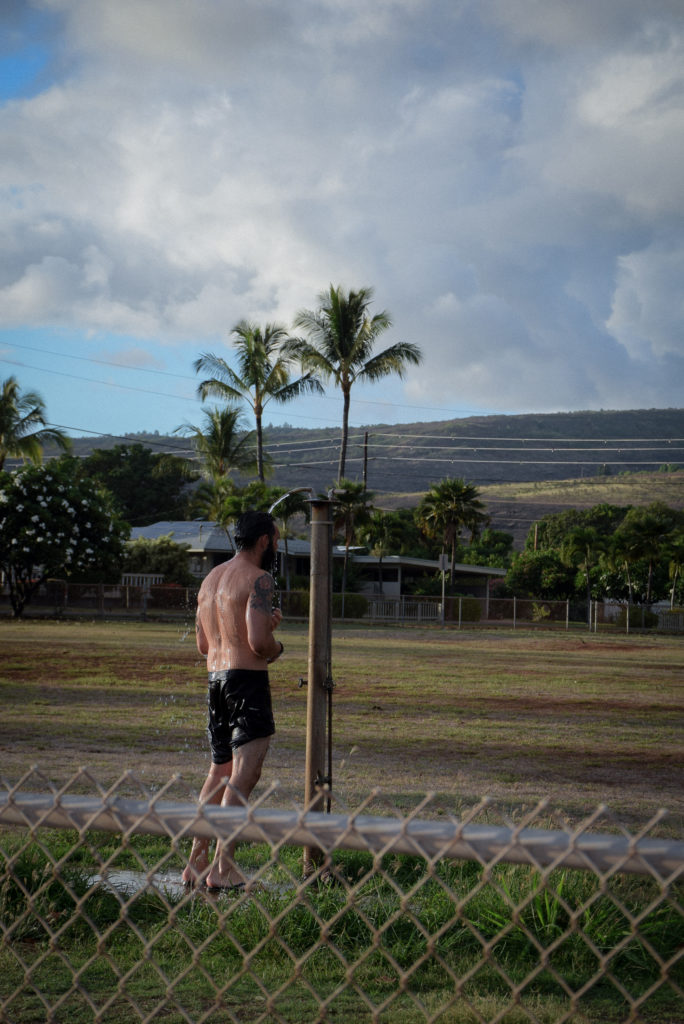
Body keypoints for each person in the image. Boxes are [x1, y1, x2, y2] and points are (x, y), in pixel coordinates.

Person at [182, 509, 284, 891]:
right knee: (244, 774)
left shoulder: (210, 580)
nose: (276, 545)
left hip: (216, 681)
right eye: (275, 539)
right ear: (263, 541)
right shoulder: (259, 579)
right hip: (247, 683)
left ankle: (195, 864)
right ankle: (223, 871)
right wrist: (277, 645)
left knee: (219, 771)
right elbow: (259, 644)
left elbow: (203, 645)